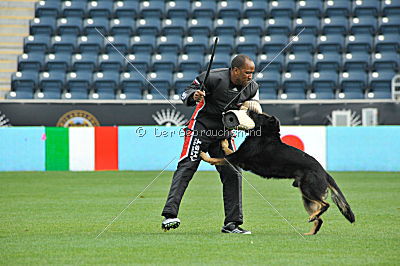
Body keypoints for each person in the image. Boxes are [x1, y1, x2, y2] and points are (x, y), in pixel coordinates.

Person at [161, 54, 261, 234]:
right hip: (200, 128)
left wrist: (248, 115)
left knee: (233, 171)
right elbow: (185, 94)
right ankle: (170, 215)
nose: (250, 76)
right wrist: (195, 95)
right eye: (247, 72)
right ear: (235, 70)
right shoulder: (213, 78)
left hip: (223, 133)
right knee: (186, 167)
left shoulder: (252, 87)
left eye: (252, 73)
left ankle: (232, 224)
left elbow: (251, 111)